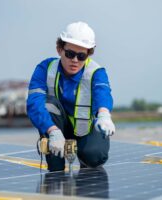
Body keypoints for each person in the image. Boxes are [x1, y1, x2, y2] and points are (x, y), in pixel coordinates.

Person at [27, 21, 115, 172]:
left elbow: (103, 93)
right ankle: (56, 168)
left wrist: (104, 115)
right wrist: (52, 131)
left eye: (81, 56)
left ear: (88, 54)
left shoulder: (96, 72)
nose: (75, 60)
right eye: (70, 54)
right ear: (59, 49)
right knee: (47, 104)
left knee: (94, 156)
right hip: (55, 130)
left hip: (85, 129)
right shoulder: (45, 69)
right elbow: (34, 103)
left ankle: (85, 156)